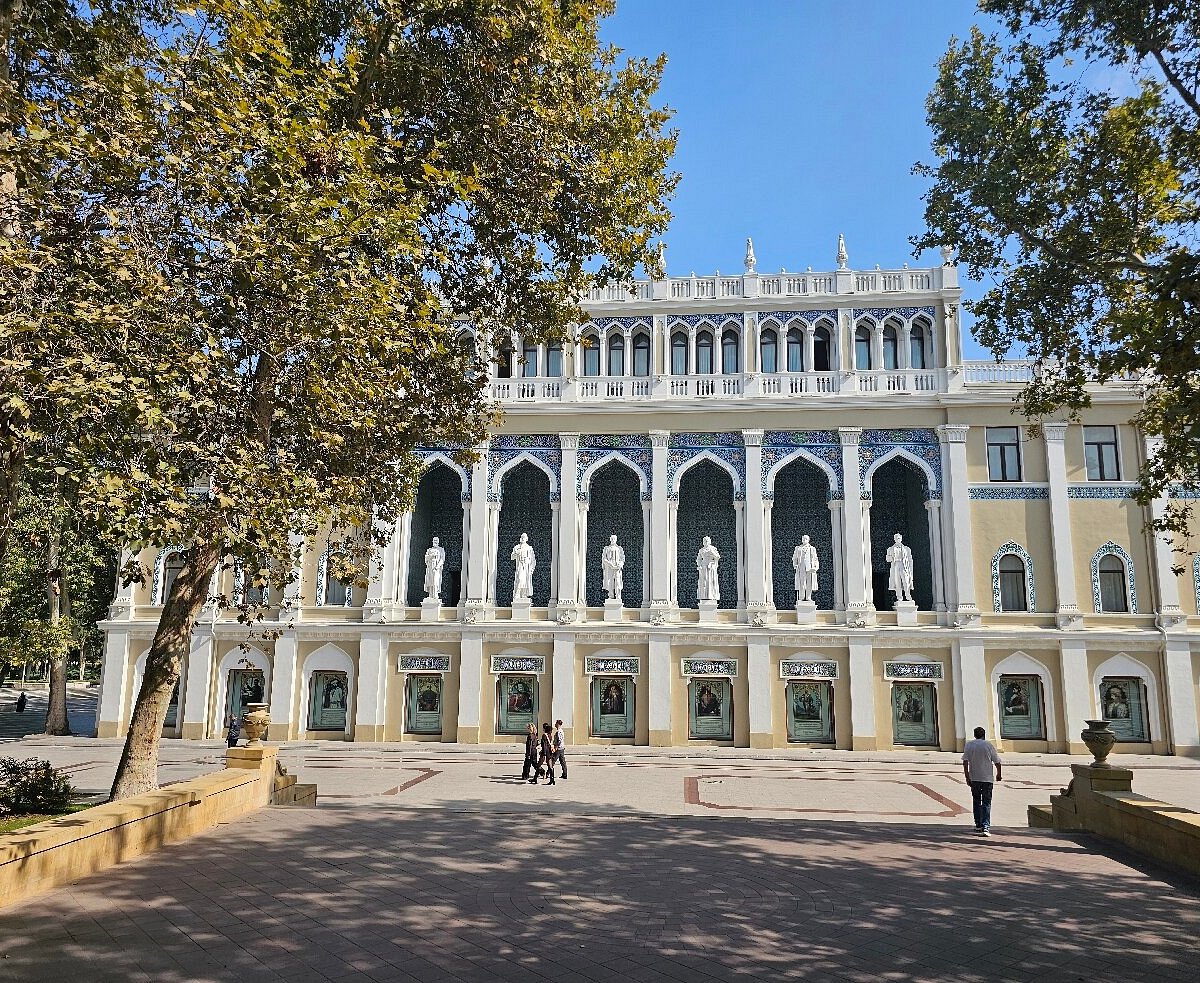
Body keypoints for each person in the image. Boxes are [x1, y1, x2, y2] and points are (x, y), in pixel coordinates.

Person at [962, 725, 1003, 836]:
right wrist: (999, 774)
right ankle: (986, 826)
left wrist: (967, 777)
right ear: (984, 735)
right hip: (987, 778)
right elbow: (997, 762)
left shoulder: (969, 745)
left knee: (976, 801)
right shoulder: (988, 745)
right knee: (986, 802)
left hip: (974, 778)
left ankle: (978, 824)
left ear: (974, 735)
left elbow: (965, 762)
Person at [886, 532, 914, 603]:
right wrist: (890, 557)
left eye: (898, 538)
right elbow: (888, 559)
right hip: (896, 565)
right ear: (894, 539)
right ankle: (899, 597)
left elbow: (910, 559)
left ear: (901, 539)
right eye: (896, 538)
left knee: (906, 581)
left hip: (903, 565)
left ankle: (908, 595)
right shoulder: (890, 549)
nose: (897, 539)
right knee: (897, 582)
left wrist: (910, 569)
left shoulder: (906, 549)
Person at [792, 535, 820, 603]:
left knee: (809, 582)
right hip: (801, 567)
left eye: (806, 538)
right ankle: (801, 597)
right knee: (802, 582)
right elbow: (795, 557)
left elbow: (815, 559)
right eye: (803, 538)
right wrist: (795, 565)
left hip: (810, 567)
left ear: (808, 540)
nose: (804, 540)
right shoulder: (798, 548)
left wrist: (815, 567)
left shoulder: (812, 548)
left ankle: (808, 597)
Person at [510, 533, 536, 601]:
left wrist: (531, 568)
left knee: (525, 581)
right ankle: (517, 594)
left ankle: (524, 594)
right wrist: (516, 554)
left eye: (524, 537)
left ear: (527, 539)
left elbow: (533, 560)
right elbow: (512, 557)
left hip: (527, 567)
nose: (522, 538)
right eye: (522, 537)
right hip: (520, 565)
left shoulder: (529, 548)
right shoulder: (517, 547)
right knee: (519, 578)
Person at [696, 536, 720, 602]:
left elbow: (717, 557)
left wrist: (712, 553)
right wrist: (699, 565)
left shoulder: (713, 548)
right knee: (704, 582)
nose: (706, 542)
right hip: (704, 566)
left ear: (709, 541)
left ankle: (711, 596)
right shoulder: (701, 550)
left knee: (711, 581)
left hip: (711, 567)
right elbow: (698, 559)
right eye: (704, 540)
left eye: (707, 540)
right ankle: (704, 596)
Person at [601, 535, 625, 602]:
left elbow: (622, 558)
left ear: (616, 539)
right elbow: (604, 558)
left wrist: (619, 565)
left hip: (617, 567)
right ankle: (611, 595)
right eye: (612, 538)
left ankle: (618, 596)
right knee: (610, 581)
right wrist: (609, 564)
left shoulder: (619, 549)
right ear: (610, 539)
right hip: (610, 567)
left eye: (614, 538)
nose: (613, 539)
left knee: (617, 581)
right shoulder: (607, 548)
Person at [538, 721, 557, 786]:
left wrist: (543, 752)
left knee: (539, 765)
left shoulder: (544, 735)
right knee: (550, 766)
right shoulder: (550, 736)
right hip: (549, 752)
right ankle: (552, 780)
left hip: (546, 752)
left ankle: (536, 778)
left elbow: (544, 745)